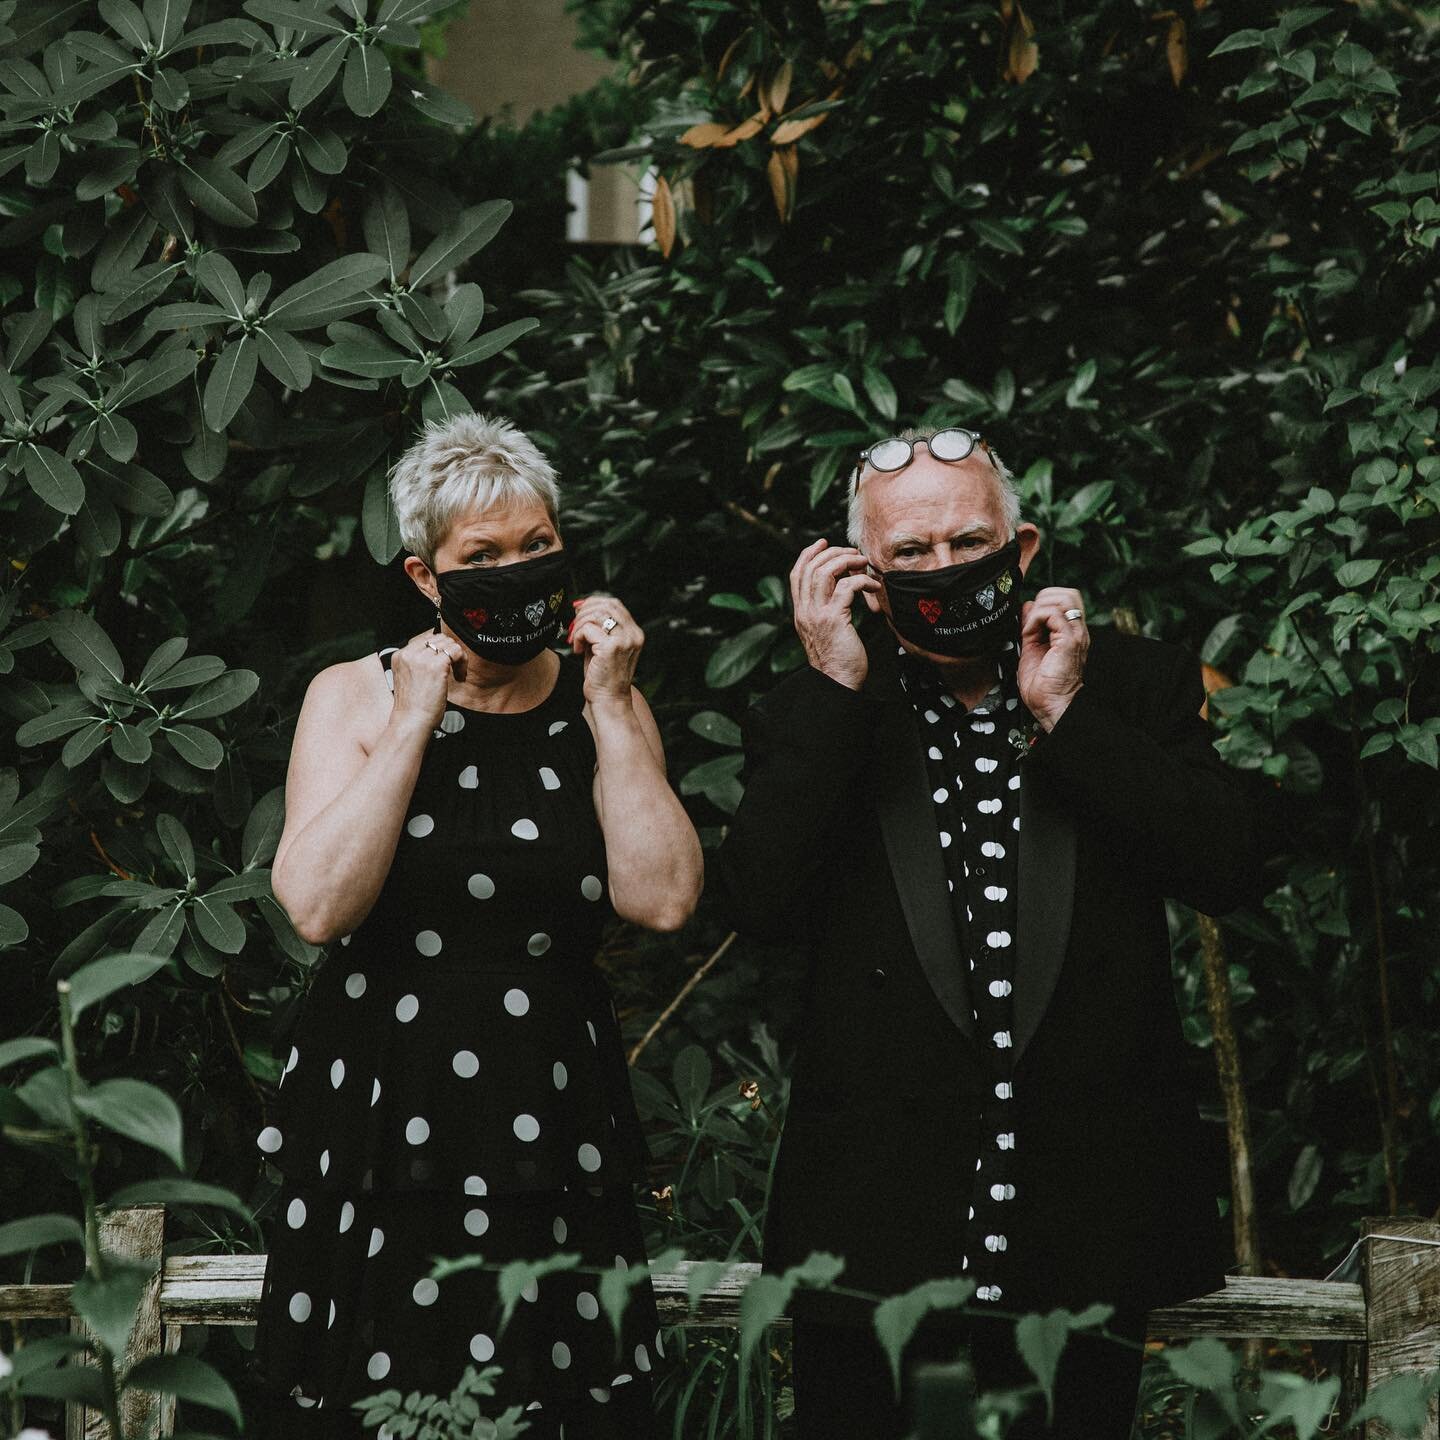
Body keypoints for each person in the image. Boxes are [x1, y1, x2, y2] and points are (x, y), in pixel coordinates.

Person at [711, 425, 1280, 1439]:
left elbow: (1228, 866)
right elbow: (759, 903)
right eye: (911, 554)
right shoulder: (826, 708)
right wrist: (832, 688)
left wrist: (1066, 713)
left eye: (967, 542)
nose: (943, 568)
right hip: (874, 1233)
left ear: (1021, 551)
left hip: (1083, 1232)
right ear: (866, 581)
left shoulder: (1128, 683)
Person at [254, 413, 703, 1438]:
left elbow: (665, 897)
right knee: (375, 1395)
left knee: (556, 1397)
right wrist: (416, 720)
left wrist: (614, 706)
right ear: (425, 577)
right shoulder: (352, 696)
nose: (516, 574)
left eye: (537, 548)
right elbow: (318, 906)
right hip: (380, 1106)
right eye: (483, 558)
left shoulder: (605, 698)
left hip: (550, 1102)